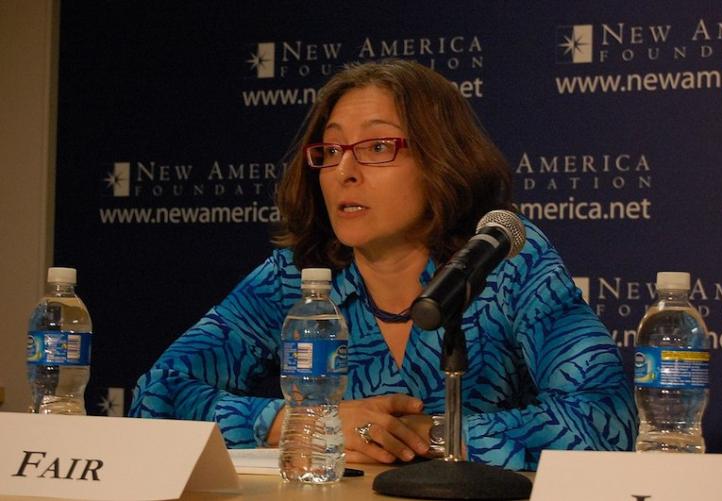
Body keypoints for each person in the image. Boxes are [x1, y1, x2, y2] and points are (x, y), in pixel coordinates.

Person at [129, 59, 637, 470]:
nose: (344, 171)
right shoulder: (298, 275)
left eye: (376, 146)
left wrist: (429, 436)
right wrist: (306, 422)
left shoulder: (506, 262)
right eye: (331, 149)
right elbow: (157, 396)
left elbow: (604, 417)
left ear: (442, 159)